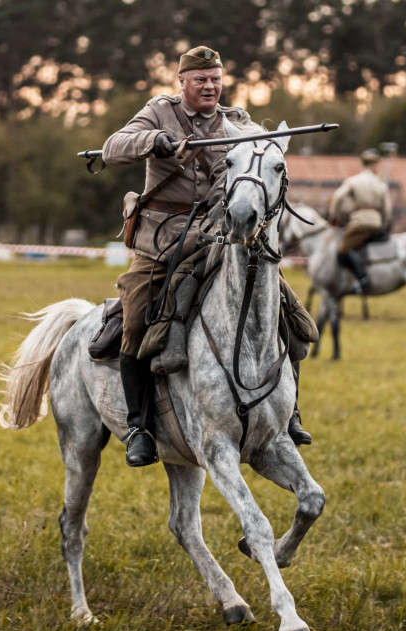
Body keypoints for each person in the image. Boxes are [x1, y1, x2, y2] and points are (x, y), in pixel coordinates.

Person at [102, 46, 311, 468]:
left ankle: (288, 411)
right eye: (201, 80)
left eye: (215, 79)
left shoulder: (237, 123)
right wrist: (154, 142)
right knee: (138, 315)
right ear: (182, 82)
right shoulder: (159, 112)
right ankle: (139, 426)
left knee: (283, 309)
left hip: (219, 237)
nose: (210, 86)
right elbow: (112, 147)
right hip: (162, 241)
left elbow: (262, 158)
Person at [327, 149, 392, 295]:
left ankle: (362, 279)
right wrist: (383, 223)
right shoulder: (381, 184)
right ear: (375, 165)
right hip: (376, 223)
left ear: (362, 163)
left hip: (359, 223)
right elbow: (387, 209)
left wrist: (333, 215)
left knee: (343, 248)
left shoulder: (353, 181)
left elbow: (337, 197)